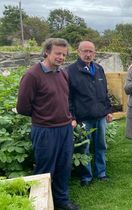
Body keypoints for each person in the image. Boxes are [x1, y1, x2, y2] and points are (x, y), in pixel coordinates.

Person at [16, 38, 79, 210]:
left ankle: (62, 200)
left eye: (64, 54)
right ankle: (39, 204)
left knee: (63, 166)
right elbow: (22, 107)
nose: (61, 57)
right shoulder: (32, 75)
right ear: (46, 52)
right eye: (57, 53)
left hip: (65, 129)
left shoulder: (62, 73)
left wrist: (68, 117)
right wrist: (45, 116)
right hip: (45, 131)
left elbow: (66, 99)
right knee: (44, 169)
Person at [66, 41, 113, 187]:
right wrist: (72, 117)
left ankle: (101, 172)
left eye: (90, 51)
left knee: (101, 146)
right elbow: (68, 97)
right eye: (84, 51)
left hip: (100, 116)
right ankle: (86, 176)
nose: (88, 54)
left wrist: (108, 110)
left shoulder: (99, 69)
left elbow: (104, 92)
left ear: (94, 53)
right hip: (83, 117)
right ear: (78, 52)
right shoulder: (70, 71)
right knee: (84, 147)